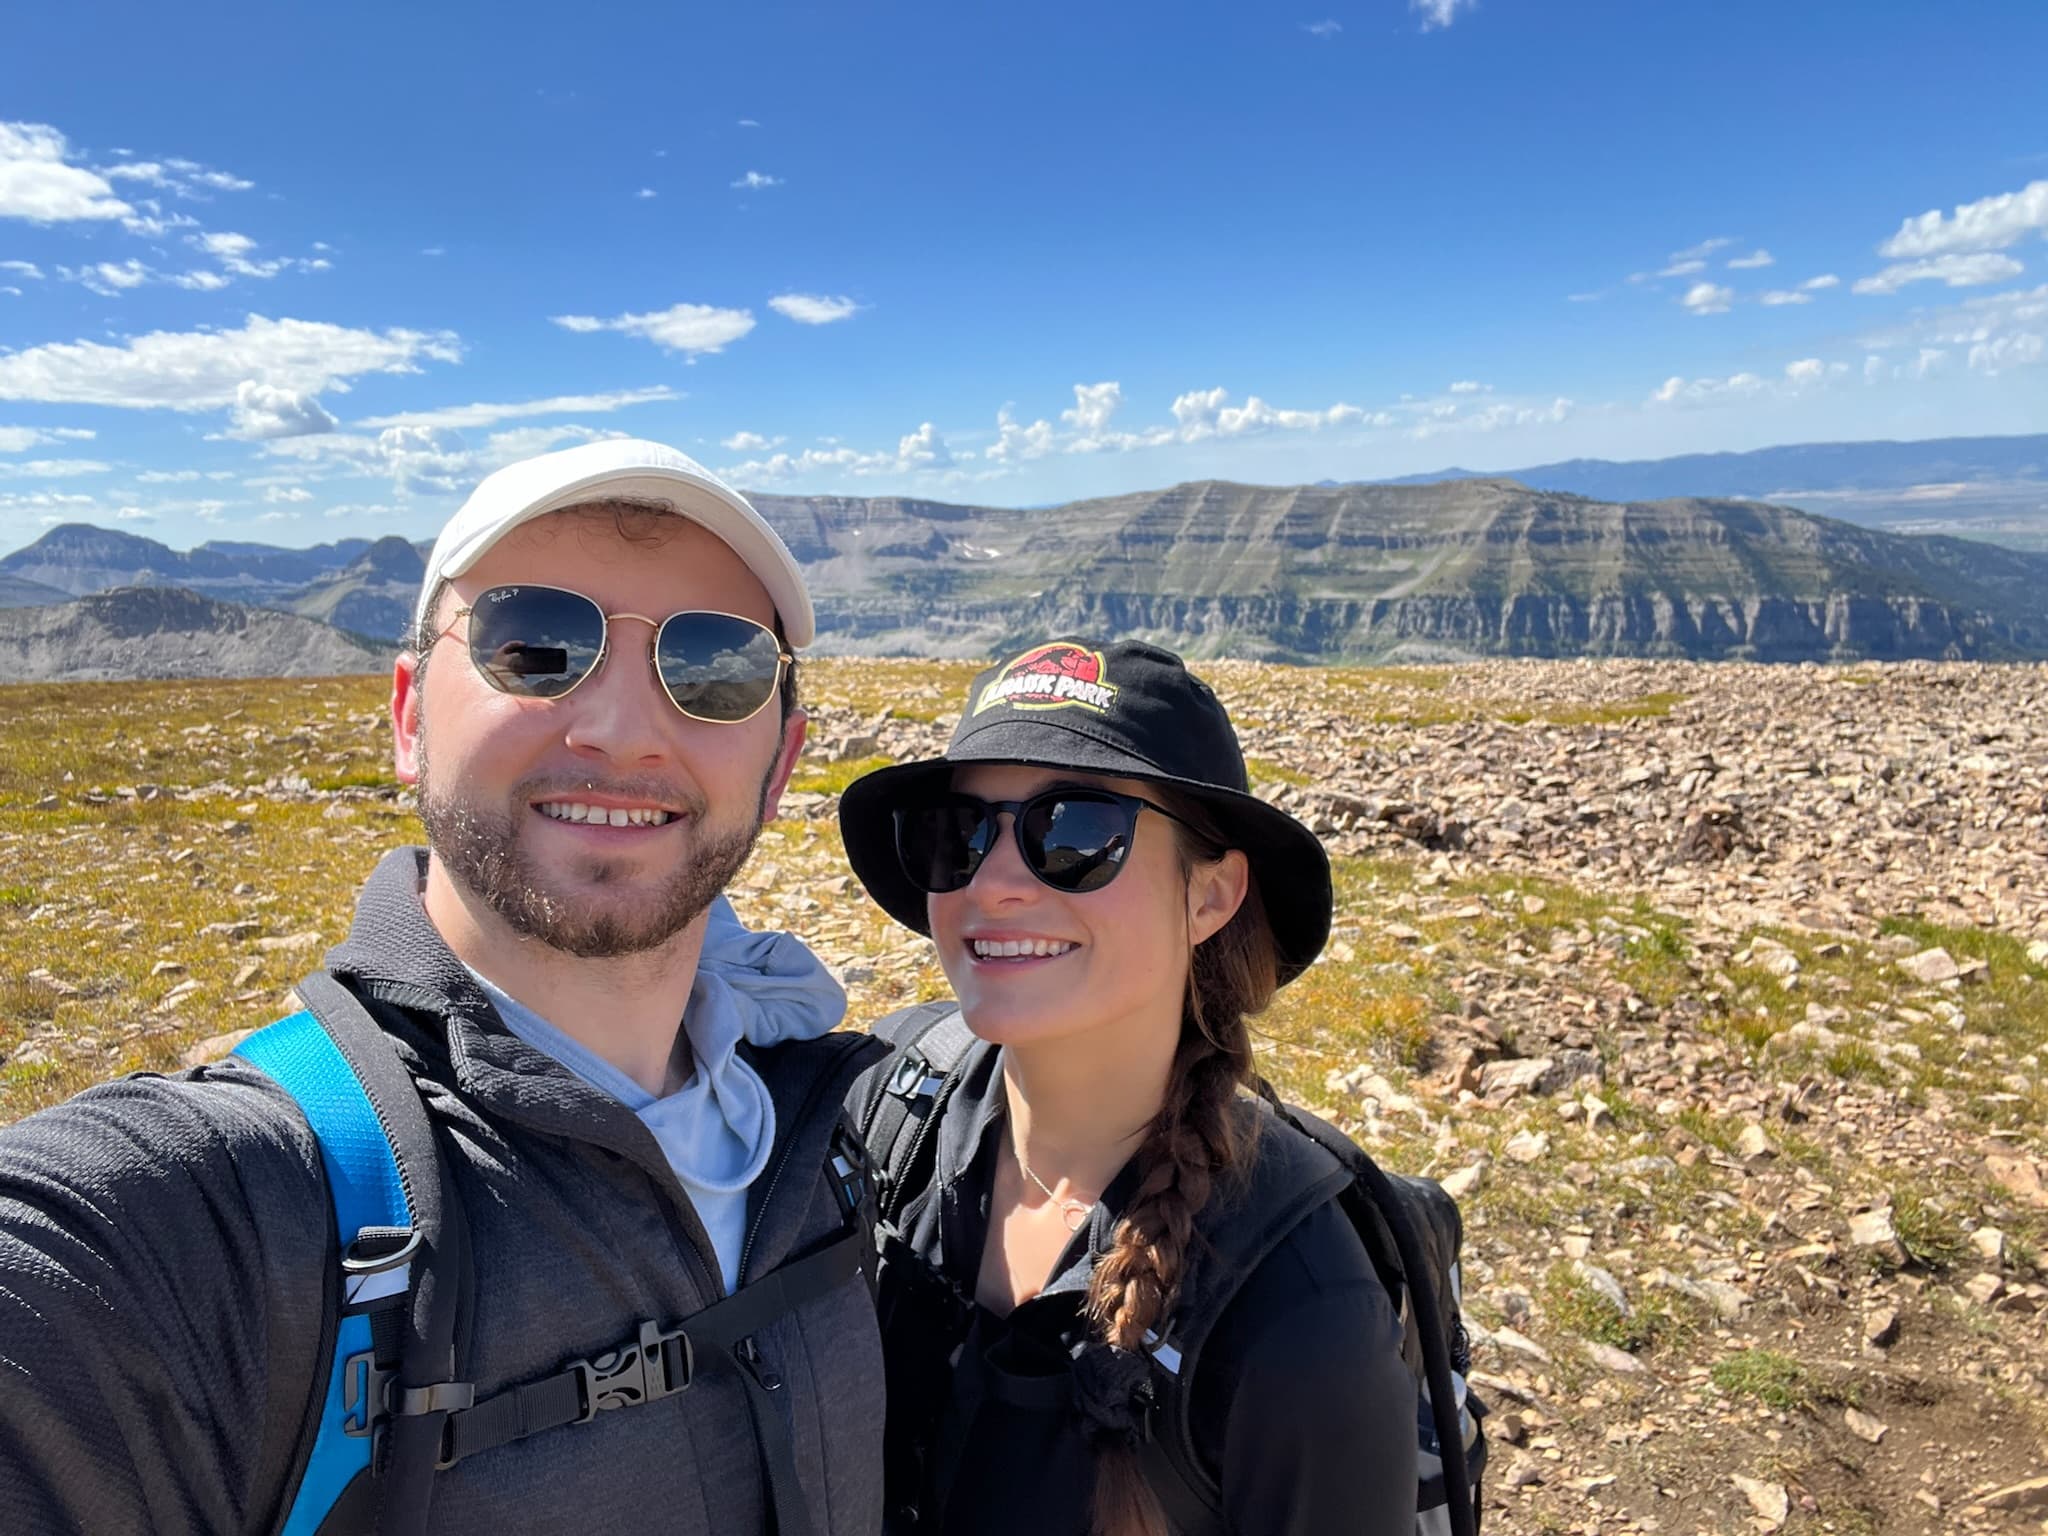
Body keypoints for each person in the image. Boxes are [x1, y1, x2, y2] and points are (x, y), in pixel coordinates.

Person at [0, 440, 885, 1535]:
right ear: (410, 715)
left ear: (784, 759)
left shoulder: (837, 1123)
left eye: (714, 666)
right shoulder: (226, 1215)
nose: (619, 727)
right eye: (538, 646)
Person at [836, 639, 1420, 1536]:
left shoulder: (1302, 1314)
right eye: (959, 833)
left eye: (1072, 834)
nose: (993, 884)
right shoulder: (882, 1107)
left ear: (1211, 895)